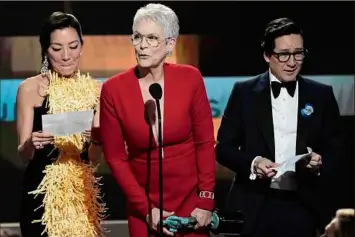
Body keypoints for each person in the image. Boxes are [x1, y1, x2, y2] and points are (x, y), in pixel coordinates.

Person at [216, 17, 342, 237]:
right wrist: (253, 163)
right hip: (254, 205)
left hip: (303, 205)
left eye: (298, 53)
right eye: (283, 54)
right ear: (267, 55)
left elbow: (337, 149)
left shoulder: (322, 95)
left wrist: (319, 164)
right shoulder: (244, 92)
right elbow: (223, 148)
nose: (292, 62)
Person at [99, 3, 216, 237]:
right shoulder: (113, 90)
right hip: (144, 203)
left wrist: (205, 200)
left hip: (190, 203)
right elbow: (115, 157)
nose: (142, 46)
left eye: (152, 38)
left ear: (170, 44)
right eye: (137, 37)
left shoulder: (190, 78)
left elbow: (204, 143)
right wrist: (145, 209)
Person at [16, 12, 104, 237]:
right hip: (41, 198)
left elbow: (94, 158)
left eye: (73, 46)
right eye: (57, 49)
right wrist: (30, 142)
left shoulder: (96, 91)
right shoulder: (29, 89)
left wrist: (94, 139)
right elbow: (23, 154)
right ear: (46, 50)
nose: (66, 56)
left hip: (81, 197)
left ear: (81, 46)